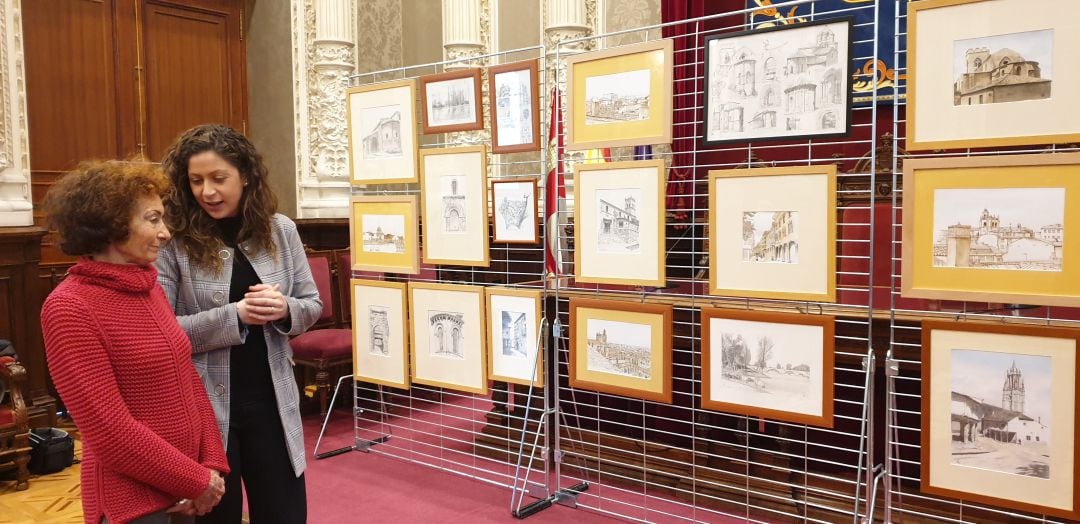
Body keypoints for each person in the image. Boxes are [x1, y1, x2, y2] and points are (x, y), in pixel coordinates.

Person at [40, 160, 229, 524]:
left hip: (183, 489)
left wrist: (210, 467)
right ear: (111, 223)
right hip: (133, 504)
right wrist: (196, 480)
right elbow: (109, 431)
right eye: (153, 219)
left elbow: (188, 380)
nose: (165, 232)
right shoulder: (69, 307)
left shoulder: (147, 287)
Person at [156, 124, 322, 523]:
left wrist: (283, 308)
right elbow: (162, 332)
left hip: (273, 400)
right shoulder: (172, 239)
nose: (207, 192)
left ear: (246, 176)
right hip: (205, 408)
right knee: (218, 516)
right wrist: (235, 315)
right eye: (195, 180)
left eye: (218, 178)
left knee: (284, 513)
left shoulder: (280, 229)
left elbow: (312, 305)